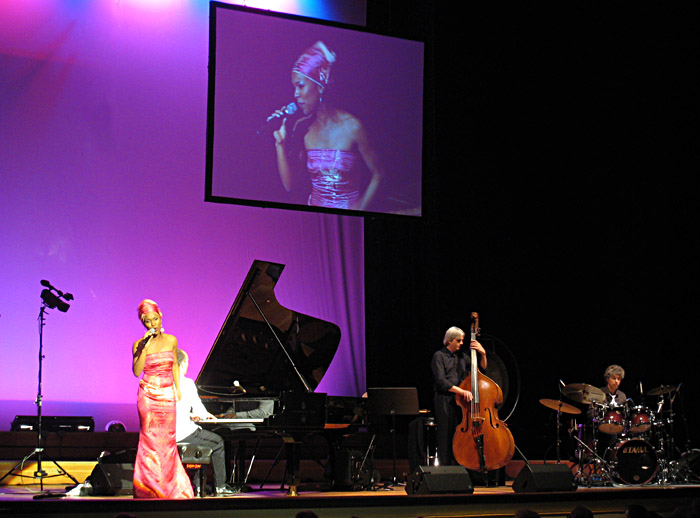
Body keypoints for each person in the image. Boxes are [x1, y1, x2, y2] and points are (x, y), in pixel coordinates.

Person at [273, 41, 383, 211]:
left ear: (320, 86)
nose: (296, 94)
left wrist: (359, 210)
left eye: (300, 86)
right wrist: (279, 145)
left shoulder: (352, 127)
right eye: (294, 87)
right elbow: (290, 185)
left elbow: (379, 174)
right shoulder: (302, 128)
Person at [131, 299, 193, 499]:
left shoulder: (171, 340)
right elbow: (136, 371)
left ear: (161, 316)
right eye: (148, 321)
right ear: (143, 323)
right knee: (150, 441)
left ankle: (170, 487)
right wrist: (142, 347)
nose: (153, 324)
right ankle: (148, 487)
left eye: (155, 319)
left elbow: (174, 364)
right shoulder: (139, 345)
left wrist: (178, 390)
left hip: (167, 395)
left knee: (167, 442)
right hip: (148, 395)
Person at [175, 349, 238, 496]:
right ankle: (221, 486)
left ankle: (197, 486)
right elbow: (200, 409)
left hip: (171, 433)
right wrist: (206, 415)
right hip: (184, 433)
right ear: (183, 363)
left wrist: (190, 415)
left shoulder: (166, 383)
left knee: (203, 443)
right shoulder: (187, 383)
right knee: (218, 442)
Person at [431, 326, 487, 466]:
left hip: (460, 402)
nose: (462, 343)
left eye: (462, 340)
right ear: (450, 341)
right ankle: (445, 470)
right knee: (445, 435)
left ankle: (460, 466)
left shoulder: (463, 357)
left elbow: (480, 371)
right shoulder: (439, 356)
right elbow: (441, 382)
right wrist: (462, 391)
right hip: (444, 400)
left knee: (460, 436)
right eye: (459, 340)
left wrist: (483, 354)